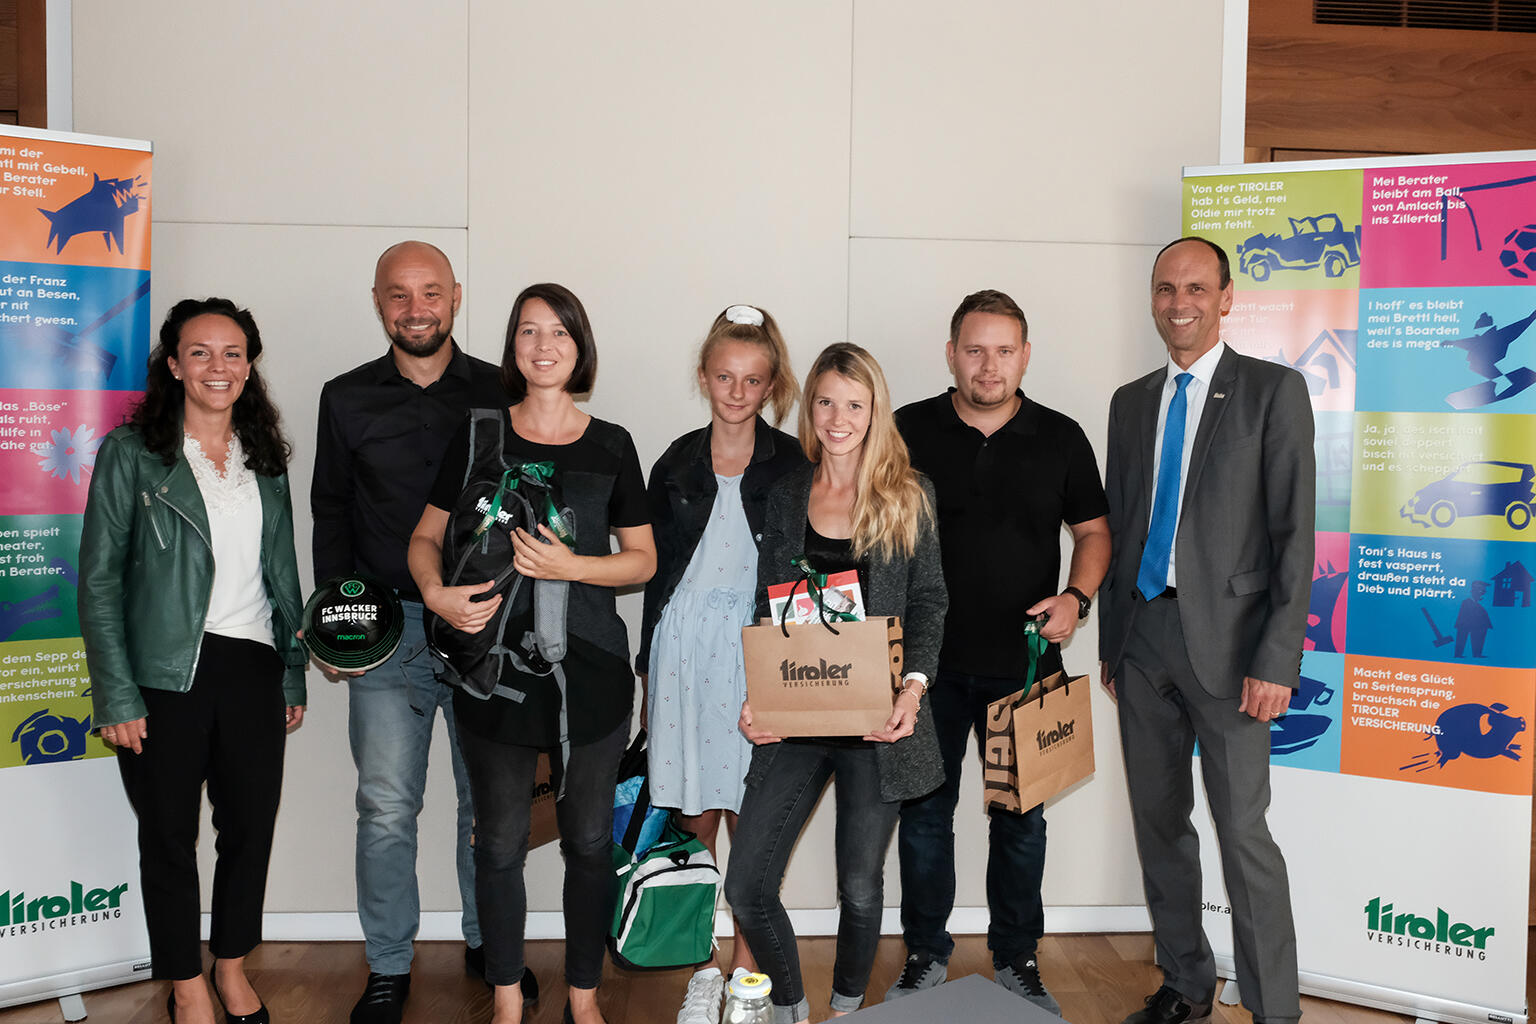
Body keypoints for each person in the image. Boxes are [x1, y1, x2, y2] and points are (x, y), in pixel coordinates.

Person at [408, 282, 656, 1024]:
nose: (542, 347)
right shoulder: (481, 434)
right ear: (513, 347)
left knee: (585, 840)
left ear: (580, 348)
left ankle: (583, 995)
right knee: (501, 844)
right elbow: (424, 538)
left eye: (558, 333)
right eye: (527, 332)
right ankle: (509, 1001)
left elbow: (641, 560)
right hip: (494, 672)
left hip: (593, 675)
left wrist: (572, 566)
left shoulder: (612, 444)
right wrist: (434, 592)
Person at [311, 241, 529, 1024]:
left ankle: (488, 947)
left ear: (456, 297)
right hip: (388, 628)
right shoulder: (345, 399)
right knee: (386, 804)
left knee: (490, 806)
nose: (415, 308)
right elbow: (330, 511)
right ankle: (389, 966)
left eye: (429, 292)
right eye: (398, 294)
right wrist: (334, 626)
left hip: (485, 624)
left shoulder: (504, 392)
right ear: (378, 301)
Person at [1100, 237, 1314, 1024]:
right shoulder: (1129, 401)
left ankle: (1275, 1010)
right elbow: (1125, 529)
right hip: (1143, 639)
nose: (1178, 302)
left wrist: (1277, 659)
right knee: (1160, 828)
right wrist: (1113, 646)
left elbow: (1296, 537)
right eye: (1164, 288)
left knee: (1242, 836)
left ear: (1226, 298)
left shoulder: (1272, 391)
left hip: (1234, 652)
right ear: (1151, 298)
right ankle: (1187, 986)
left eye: (1195, 287)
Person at [81, 297, 307, 1024]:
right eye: (201, 352)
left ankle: (232, 966)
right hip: (162, 672)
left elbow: (284, 574)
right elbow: (100, 579)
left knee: (249, 830)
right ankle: (185, 985)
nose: (219, 366)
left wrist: (294, 668)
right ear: (174, 365)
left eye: (234, 352)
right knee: (169, 839)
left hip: (252, 665)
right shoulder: (130, 454)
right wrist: (116, 693)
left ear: (250, 364)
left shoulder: (264, 458)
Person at [887, 290, 1110, 1011]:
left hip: (1025, 666)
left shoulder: (1062, 436)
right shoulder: (904, 431)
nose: (989, 365)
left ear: (1025, 355)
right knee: (924, 815)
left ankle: (1016, 962)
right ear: (950, 353)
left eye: (1004, 350)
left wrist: (1076, 598)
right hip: (926, 668)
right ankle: (925, 956)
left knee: (1022, 821)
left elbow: (1096, 534)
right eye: (974, 349)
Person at [725, 342, 948, 1024]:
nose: (837, 417)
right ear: (809, 408)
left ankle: (847, 1011)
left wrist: (911, 691)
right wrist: (758, 701)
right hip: (796, 715)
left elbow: (928, 602)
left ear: (874, 409)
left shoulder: (908, 494)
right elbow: (769, 607)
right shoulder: (786, 492)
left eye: (854, 403)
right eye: (825, 401)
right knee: (748, 884)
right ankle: (792, 1010)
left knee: (858, 885)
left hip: (877, 722)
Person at [638, 304, 805, 1024]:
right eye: (724, 377)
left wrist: (798, 666)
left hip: (757, 645)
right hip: (683, 648)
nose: (737, 392)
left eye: (753, 380)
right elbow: (654, 572)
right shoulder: (675, 459)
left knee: (752, 812)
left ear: (771, 386)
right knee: (694, 812)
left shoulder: (794, 462)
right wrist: (647, 672)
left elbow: (811, 565)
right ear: (705, 376)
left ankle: (748, 974)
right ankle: (702, 968)